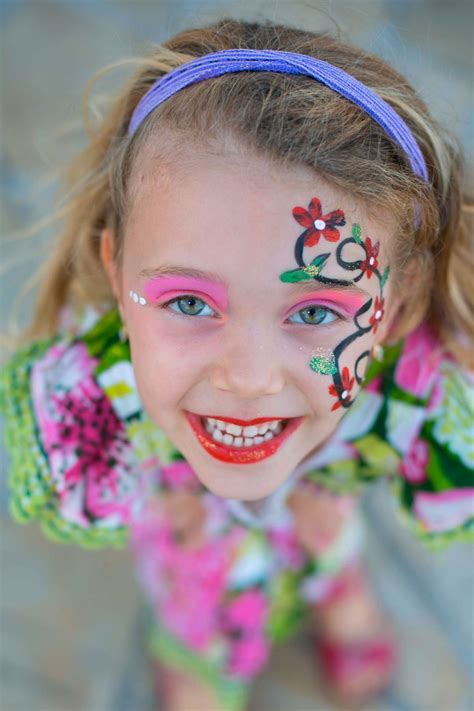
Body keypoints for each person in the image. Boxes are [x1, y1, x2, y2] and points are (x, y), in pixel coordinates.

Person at [1, 17, 473, 711]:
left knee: (328, 542)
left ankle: (338, 592)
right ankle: (202, 661)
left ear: (395, 312)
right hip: (191, 550)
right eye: (189, 302)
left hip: (323, 508)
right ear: (117, 271)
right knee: (199, 626)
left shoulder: (419, 393)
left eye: (316, 313)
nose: (247, 379)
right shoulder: (93, 394)